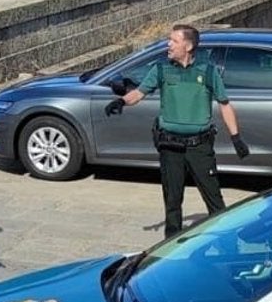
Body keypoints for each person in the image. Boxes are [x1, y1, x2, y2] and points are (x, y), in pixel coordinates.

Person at [104, 24, 247, 238]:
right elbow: (139, 93)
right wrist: (121, 101)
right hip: (170, 146)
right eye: (169, 40)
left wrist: (236, 138)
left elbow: (225, 104)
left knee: (214, 198)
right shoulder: (162, 69)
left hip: (199, 146)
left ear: (188, 46)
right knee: (172, 199)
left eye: (174, 41)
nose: (168, 45)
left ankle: (225, 237)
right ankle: (172, 241)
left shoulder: (207, 72)